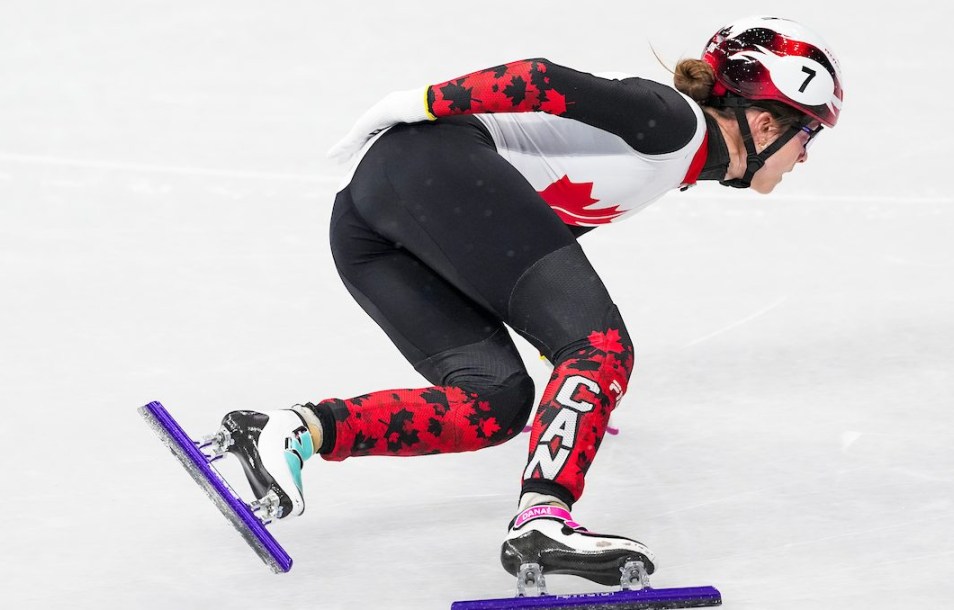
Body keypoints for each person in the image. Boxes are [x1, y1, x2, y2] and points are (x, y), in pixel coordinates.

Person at [214, 15, 843, 586]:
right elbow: (539, 79)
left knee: (494, 404)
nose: (804, 157)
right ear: (765, 122)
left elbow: (524, 241)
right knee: (600, 346)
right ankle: (543, 521)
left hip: (370, 225)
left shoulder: (672, 162)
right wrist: (421, 103)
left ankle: (292, 430)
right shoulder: (675, 122)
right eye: (806, 138)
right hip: (433, 166)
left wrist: (580, 393)